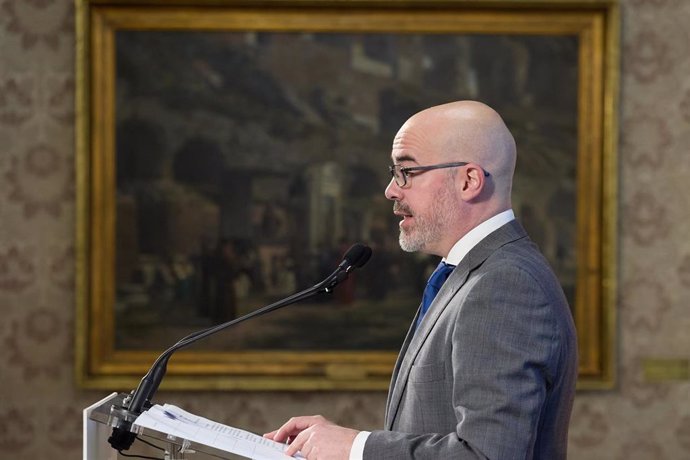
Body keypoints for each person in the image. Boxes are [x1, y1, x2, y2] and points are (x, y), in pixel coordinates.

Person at [264, 101, 578, 460]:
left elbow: (487, 454)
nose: (391, 191)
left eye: (406, 172)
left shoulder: (505, 283)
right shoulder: (471, 272)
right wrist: (335, 439)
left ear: (469, 181)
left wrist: (356, 447)